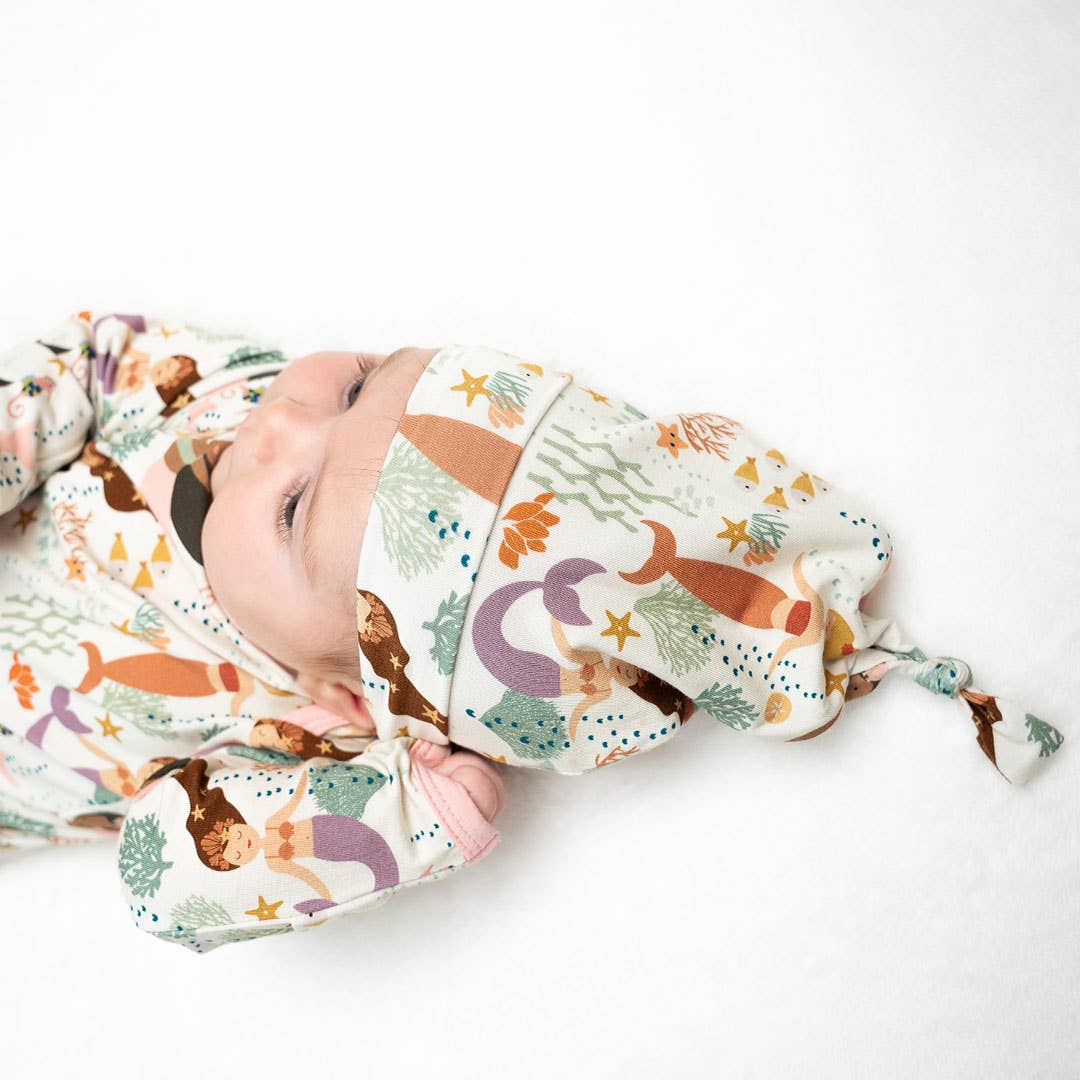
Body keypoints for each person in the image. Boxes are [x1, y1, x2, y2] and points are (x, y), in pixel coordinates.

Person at [0, 311, 1063, 953]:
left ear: (365, 688)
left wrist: (400, 812)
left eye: (291, 508)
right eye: (362, 382)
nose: (281, 422)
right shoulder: (238, 402)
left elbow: (159, 871)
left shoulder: (309, 729)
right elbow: (101, 359)